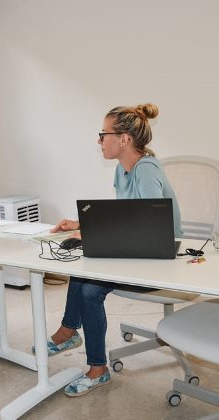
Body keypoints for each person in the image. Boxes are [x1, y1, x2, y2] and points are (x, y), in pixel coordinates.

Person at [47, 103, 182, 397]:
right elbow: (126, 217)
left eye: (103, 134)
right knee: (83, 269)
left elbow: (151, 225)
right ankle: (70, 332)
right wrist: (81, 225)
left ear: (124, 139)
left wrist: (93, 232)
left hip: (159, 258)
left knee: (90, 289)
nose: (99, 141)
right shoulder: (124, 169)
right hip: (137, 249)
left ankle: (96, 367)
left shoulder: (145, 169)